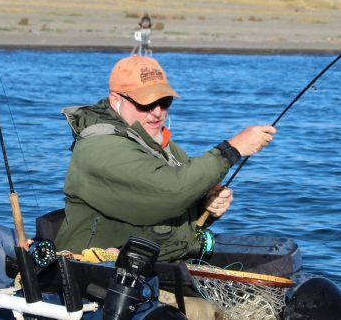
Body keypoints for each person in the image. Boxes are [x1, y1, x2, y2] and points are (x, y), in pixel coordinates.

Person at [54, 55, 276, 262]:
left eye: (165, 101)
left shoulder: (160, 144)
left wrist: (206, 206)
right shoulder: (99, 147)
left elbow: (179, 199)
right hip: (91, 274)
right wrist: (230, 150)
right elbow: (171, 193)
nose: (158, 112)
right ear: (115, 100)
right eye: (145, 103)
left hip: (152, 266)